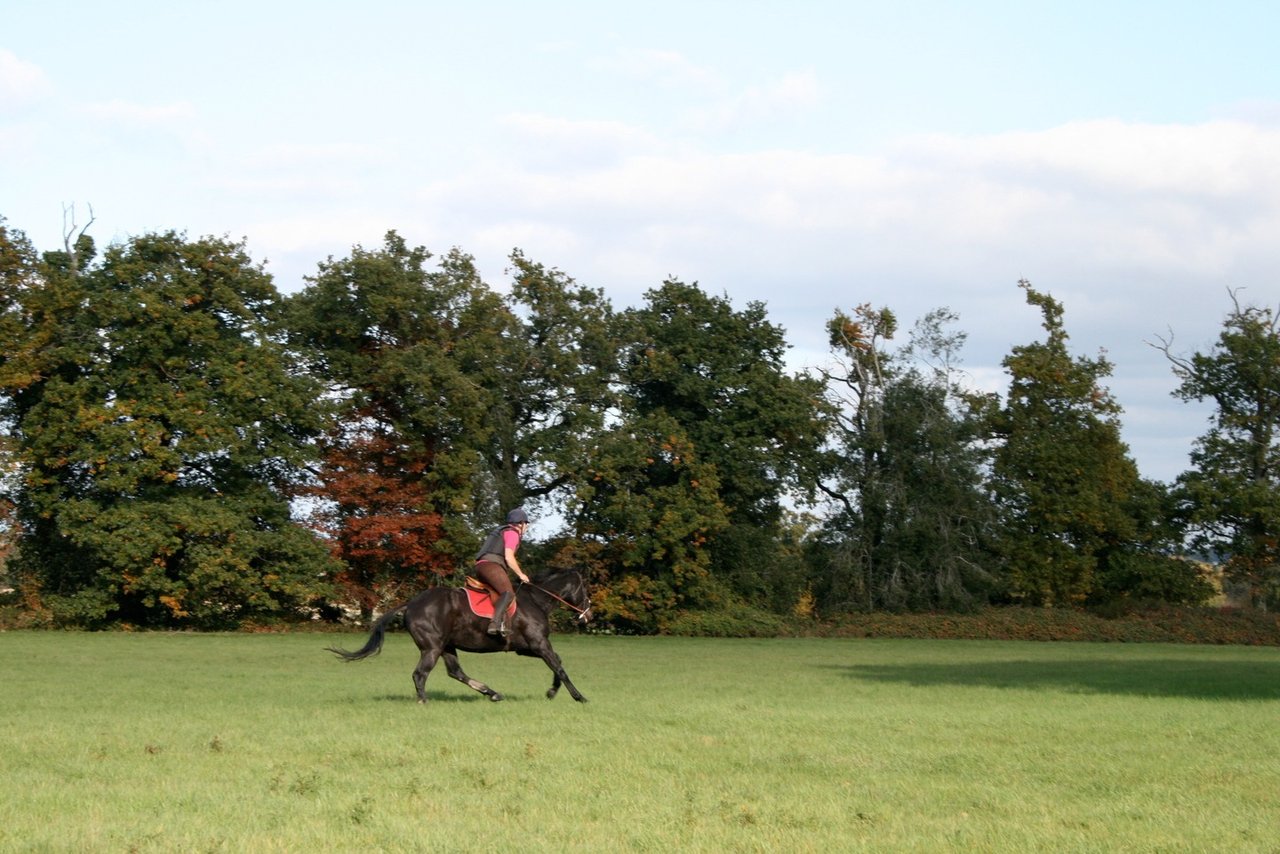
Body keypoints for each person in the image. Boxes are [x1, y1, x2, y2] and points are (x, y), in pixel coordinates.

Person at [472, 508, 531, 636]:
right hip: (491, 566)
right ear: (521, 523)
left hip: (480, 566)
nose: (527, 527)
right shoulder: (513, 533)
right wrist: (521, 574)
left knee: (498, 593)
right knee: (508, 593)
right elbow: (509, 557)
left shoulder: (501, 530)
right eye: (526, 524)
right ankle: (495, 623)